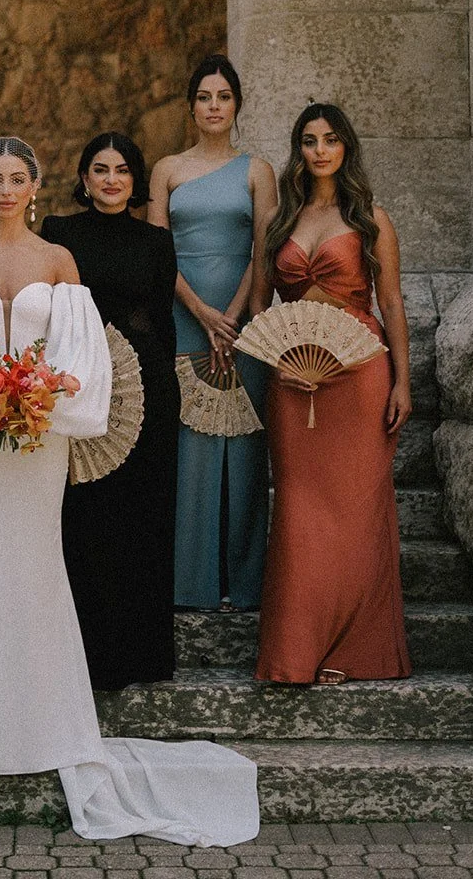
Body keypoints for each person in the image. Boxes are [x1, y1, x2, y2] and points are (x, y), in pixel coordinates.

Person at [0, 136, 259, 847]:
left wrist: (38, 400)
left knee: (38, 568)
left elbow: (80, 356)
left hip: (39, 437)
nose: (7, 189)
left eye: (18, 178)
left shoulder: (58, 260)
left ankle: (48, 722)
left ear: (35, 187)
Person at [249, 102, 412, 684]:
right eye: (310, 140)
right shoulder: (279, 220)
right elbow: (260, 302)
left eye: (331, 139)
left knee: (357, 511)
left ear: (346, 147)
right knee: (299, 510)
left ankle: (354, 649)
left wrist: (403, 381)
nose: (320, 150)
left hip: (361, 375)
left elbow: (390, 302)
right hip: (293, 376)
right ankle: (296, 651)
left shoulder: (370, 219)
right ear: (299, 149)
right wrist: (277, 359)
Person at [40, 132, 179, 689]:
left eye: (122, 170)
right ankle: (85, 655)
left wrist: (159, 393)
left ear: (135, 179)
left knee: (142, 517)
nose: (112, 179)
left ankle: (142, 656)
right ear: (84, 178)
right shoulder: (60, 234)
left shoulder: (156, 242)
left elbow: (162, 324)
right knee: (85, 514)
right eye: (101, 169)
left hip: (145, 393)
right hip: (78, 389)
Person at [149, 56, 277, 611]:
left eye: (223, 96)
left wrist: (235, 317)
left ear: (237, 104)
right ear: (191, 106)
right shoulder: (167, 169)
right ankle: (190, 582)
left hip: (243, 324)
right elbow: (157, 252)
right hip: (184, 316)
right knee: (191, 448)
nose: (214, 106)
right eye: (204, 97)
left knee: (244, 449)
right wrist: (202, 312)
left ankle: (242, 583)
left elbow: (264, 248)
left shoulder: (258, 170)